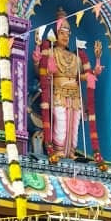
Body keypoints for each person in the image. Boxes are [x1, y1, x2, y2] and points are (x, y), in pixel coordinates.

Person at [33, 14, 103, 160]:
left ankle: (71, 152)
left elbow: (81, 76)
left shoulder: (75, 57)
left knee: (74, 127)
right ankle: (57, 151)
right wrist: (36, 61)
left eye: (67, 34)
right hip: (58, 94)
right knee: (61, 126)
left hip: (75, 97)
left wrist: (94, 72)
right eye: (62, 33)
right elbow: (41, 72)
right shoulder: (51, 52)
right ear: (56, 35)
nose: (65, 37)